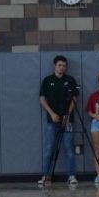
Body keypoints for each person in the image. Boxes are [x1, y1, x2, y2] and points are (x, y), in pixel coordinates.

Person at [38, 55, 79, 186]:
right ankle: (46, 175)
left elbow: (74, 99)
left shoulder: (70, 80)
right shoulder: (47, 80)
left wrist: (68, 114)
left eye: (64, 65)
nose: (62, 68)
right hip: (52, 120)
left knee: (69, 148)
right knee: (49, 148)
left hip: (67, 121)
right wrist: (52, 113)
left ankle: (71, 175)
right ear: (54, 65)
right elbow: (42, 99)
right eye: (60, 65)